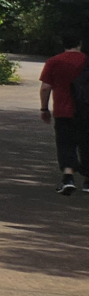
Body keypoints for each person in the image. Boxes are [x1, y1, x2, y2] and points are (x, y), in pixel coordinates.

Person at [39, 32, 87, 195]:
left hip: (63, 111)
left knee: (66, 143)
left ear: (63, 44)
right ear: (80, 44)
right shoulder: (86, 61)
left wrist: (44, 109)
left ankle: (68, 177)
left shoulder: (54, 61)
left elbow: (45, 88)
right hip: (86, 111)